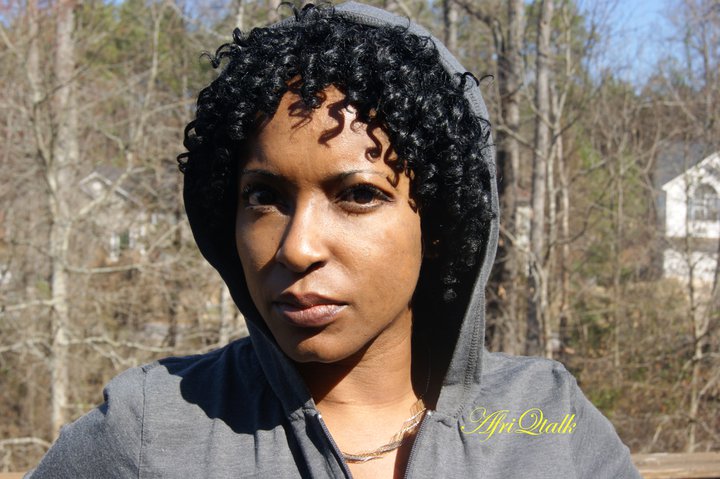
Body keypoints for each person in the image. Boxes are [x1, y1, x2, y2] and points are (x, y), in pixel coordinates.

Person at [27, 2, 642, 478]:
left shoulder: (545, 424)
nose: (297, 248)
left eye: (359, 195)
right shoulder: (151, 430)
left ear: (438, 220)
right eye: (263, 197)